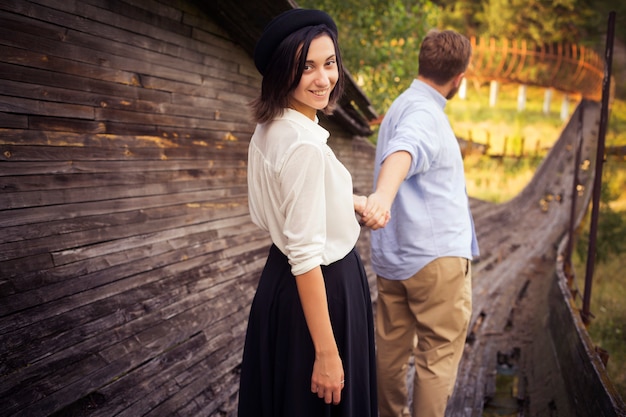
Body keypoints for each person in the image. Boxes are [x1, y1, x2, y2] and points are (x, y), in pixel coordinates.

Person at [237, 8, 385, 417]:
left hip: (280, 284)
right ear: (284, 71)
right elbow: (304, 257)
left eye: (330, 63)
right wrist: (326, 353)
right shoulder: (303, 145)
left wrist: (349, 201)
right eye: (307, 68)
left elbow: (290, 205)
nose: (324, 79)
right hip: (320, 290)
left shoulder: (271, 127)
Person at [361, 29, 480, 417]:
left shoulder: (401, 105)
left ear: (422, 62)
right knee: (437, 358)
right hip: (436, 262)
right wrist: (381, 196)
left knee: (390, 352)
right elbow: (405, 149)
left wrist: (382, 198)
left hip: (396, 260)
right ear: (459, 78)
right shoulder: (425, 114)